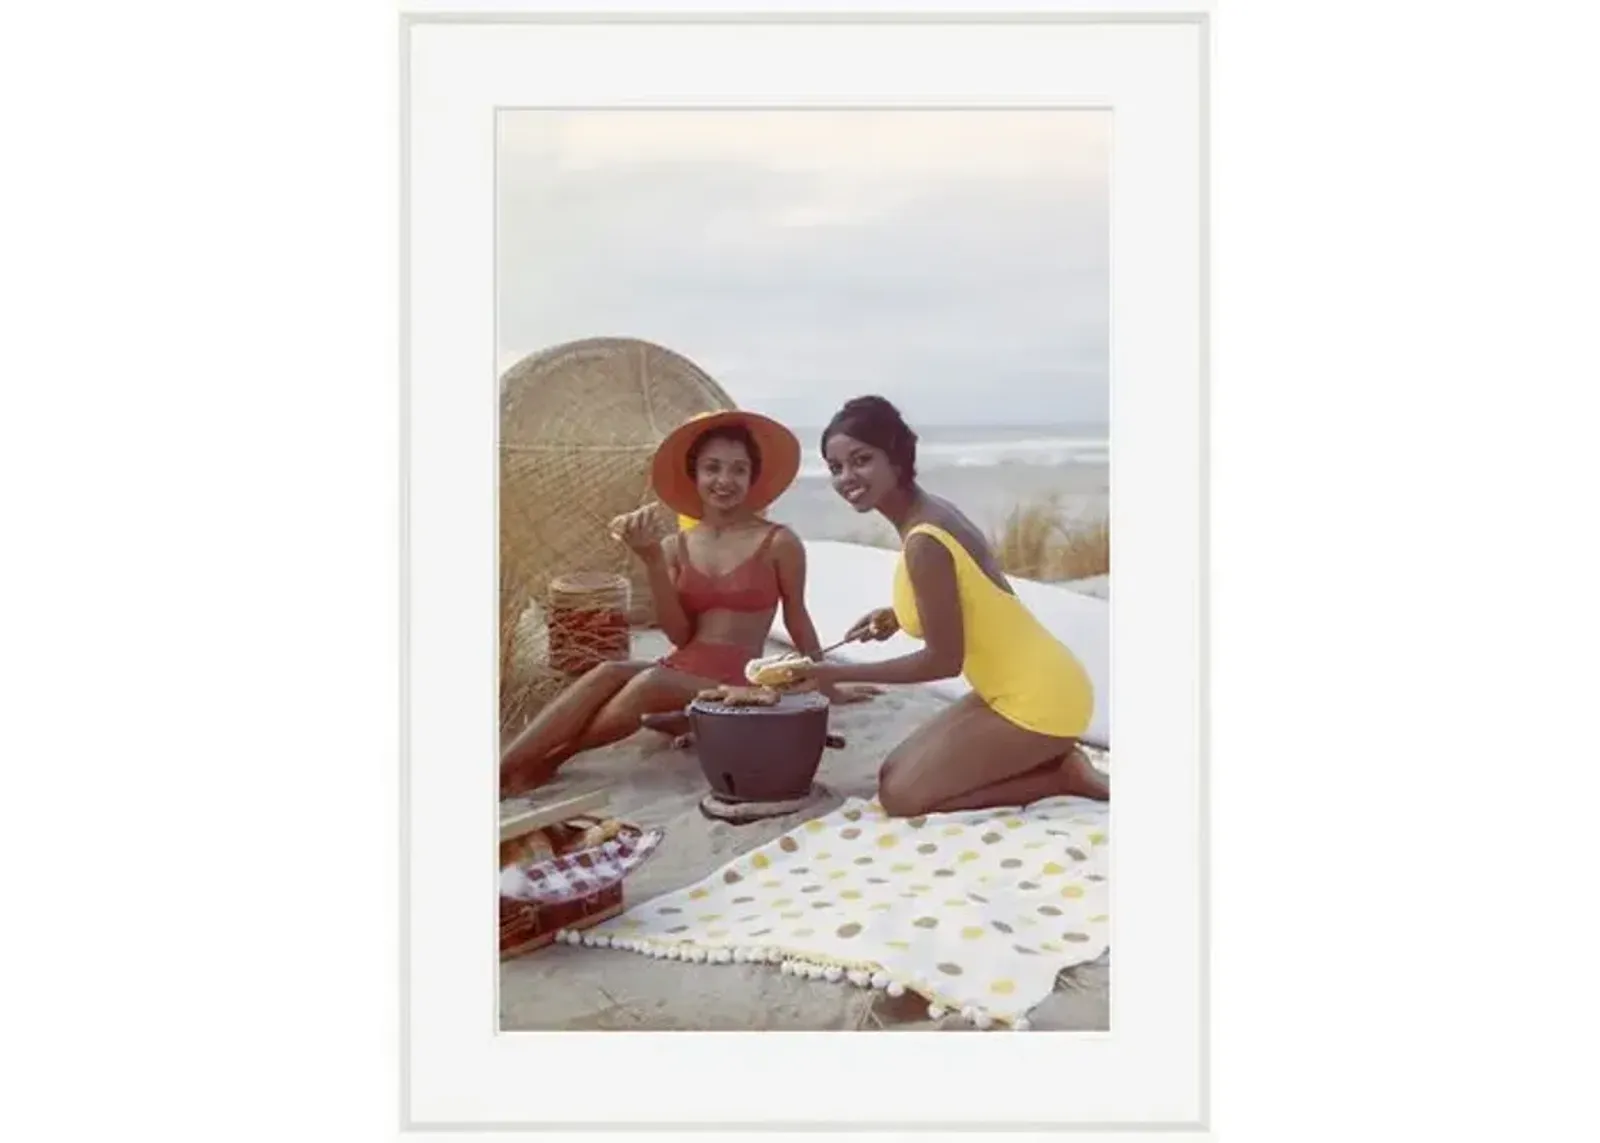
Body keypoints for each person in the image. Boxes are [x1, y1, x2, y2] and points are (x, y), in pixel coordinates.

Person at [500, 409, 873, 795]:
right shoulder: (674, 547)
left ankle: (546, 762)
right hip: (681, 668)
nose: (724, 480)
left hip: (741, 678)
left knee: (649, 684)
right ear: (695, 475)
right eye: (712, 468)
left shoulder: (779, 542)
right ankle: (504, 767)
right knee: (607, 671)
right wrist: (652, 562)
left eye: (738, 470)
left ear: (752, 477)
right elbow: (680, 634)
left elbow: (797, 618)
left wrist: (827, 683)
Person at [784, 396, 1108, 817]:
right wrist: (896, 616)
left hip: (1041, 698)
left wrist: (834, 671)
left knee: (901, 799)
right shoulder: (926, 515)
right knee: (892, 774)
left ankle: (1063, 776)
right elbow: (970, 594)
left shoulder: (925, 540)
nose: (847, 477)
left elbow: (942, 663)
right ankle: (1046, 759)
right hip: (1007, 688)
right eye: (835, 467)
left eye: (861, 460)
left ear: (896, 458)